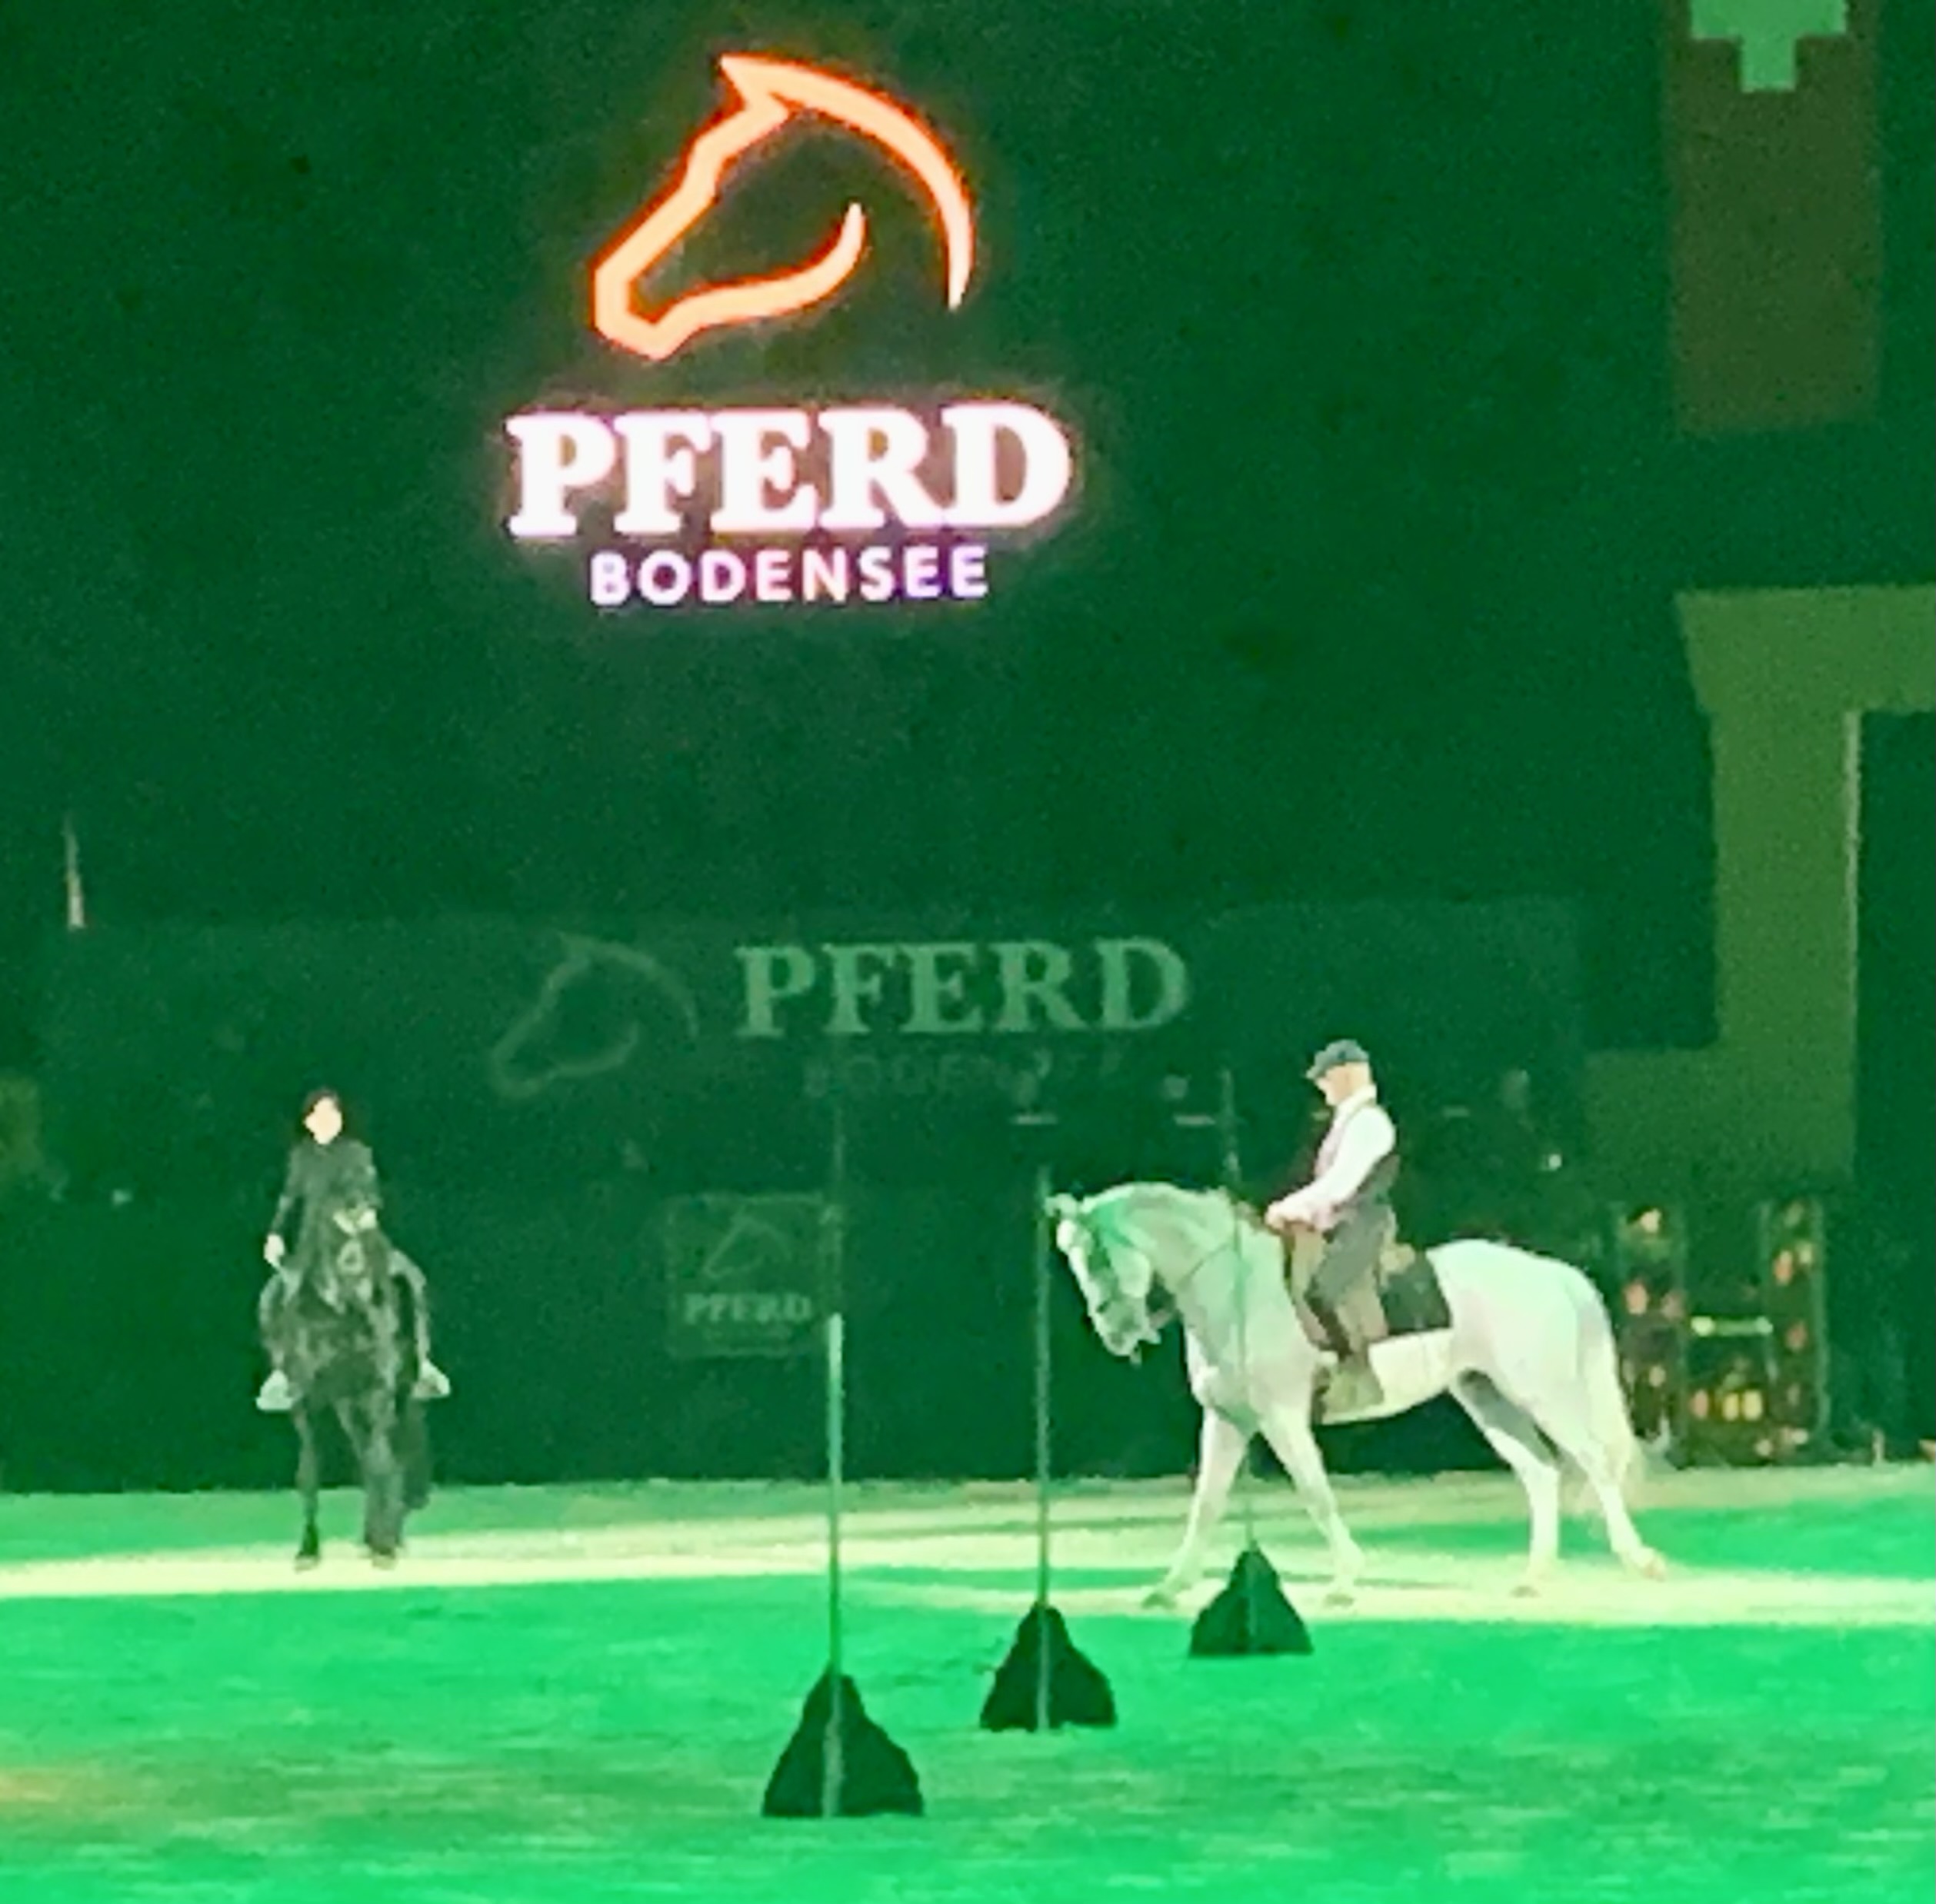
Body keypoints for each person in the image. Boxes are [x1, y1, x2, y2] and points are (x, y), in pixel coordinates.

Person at [257, 1089, 447, 1412]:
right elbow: (290, 1198)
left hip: (357, 1230)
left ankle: (423, 1364)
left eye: (333, 1114)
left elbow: (368, 1189)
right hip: (313, 1238)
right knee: (274, 1297)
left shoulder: (356, 1153)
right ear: (308, 1122)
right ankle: (282, 1373)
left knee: (412, 1281)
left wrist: (359, 1213)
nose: (327, 1121)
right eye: (319, 1115)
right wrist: (275, 1234)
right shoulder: (301, 1157)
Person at [1264, 1039, 1400, 1409]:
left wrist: (1291, 1207)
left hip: (1364, 1223)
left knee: (1322, 1290)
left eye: (1325, 1078)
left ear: (1347, 1075)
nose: (1321, 1087)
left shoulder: (1369, 1123)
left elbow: (1341, 1183)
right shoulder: (1345, 1121)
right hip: (1336, 1223)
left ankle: (1357, 1373)